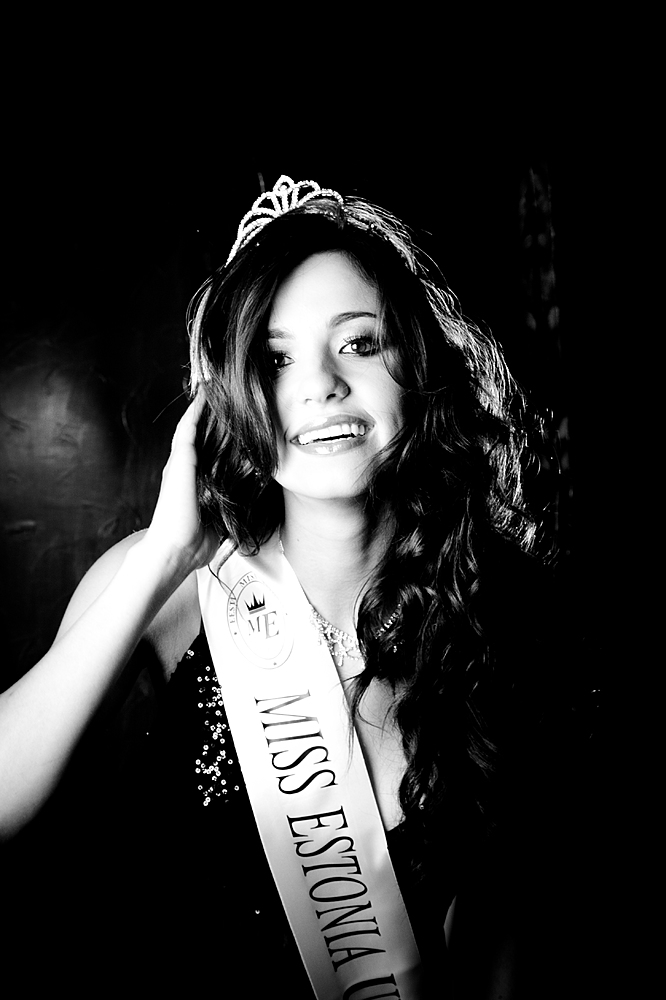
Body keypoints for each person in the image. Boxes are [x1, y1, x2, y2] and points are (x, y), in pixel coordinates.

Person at [0, 176, 558, 998]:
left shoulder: (493, 619)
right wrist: (164, 557)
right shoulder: (168, 590)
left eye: (359, 343)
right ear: (229, 394)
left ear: (416, 366)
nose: (321, 383)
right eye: (275, 358)